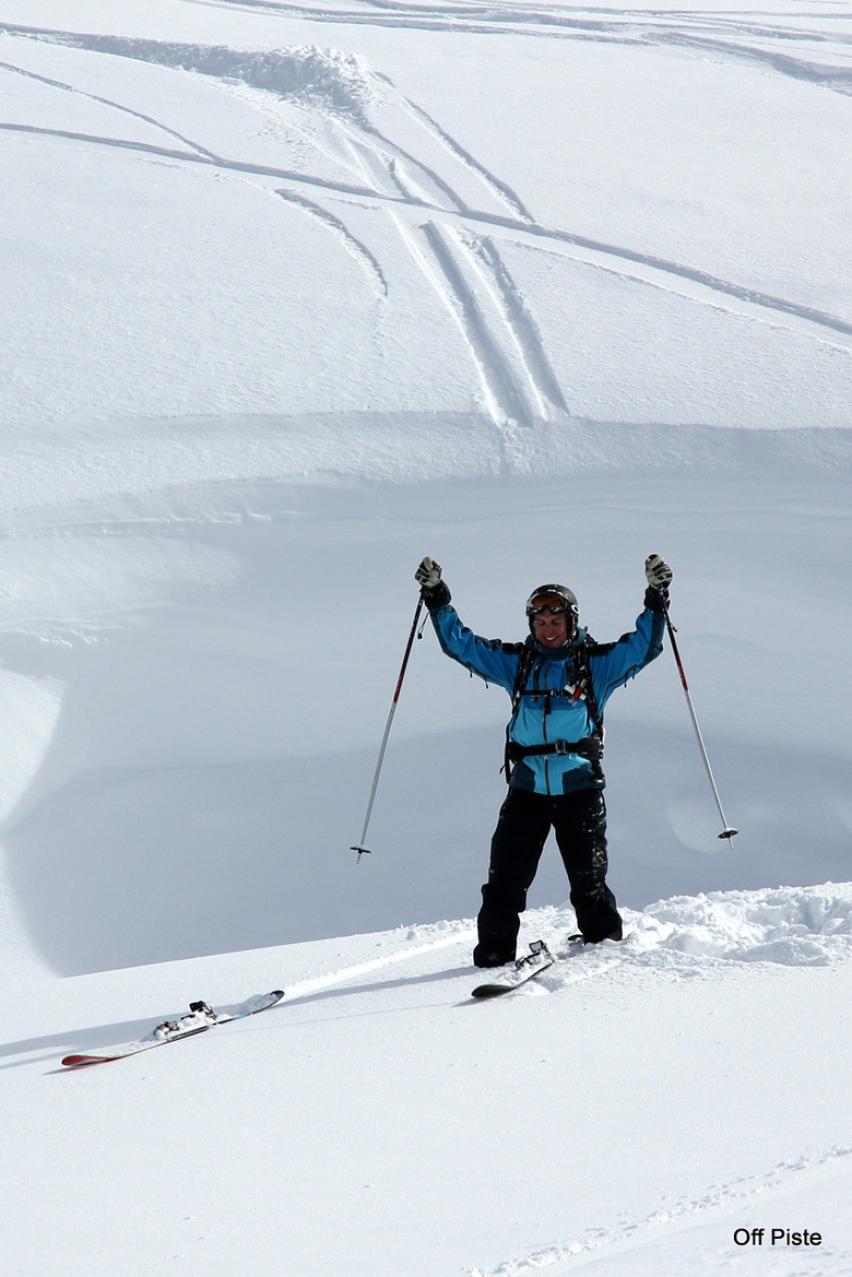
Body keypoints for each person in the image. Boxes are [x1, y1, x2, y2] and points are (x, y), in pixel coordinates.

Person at [414, 554, 673, 967]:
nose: (548, 630)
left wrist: (656, 599)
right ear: (531, 624)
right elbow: (463, 645)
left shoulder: (595, 666)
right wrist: (437, 598)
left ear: (571, 622)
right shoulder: (517, 664)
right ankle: (495, 955)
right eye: (540, 622)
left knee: (588, 883)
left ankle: (603, 948)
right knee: (504, 883)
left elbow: (644, 646)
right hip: (527, 790)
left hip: (580, 789)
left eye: (556, 622)